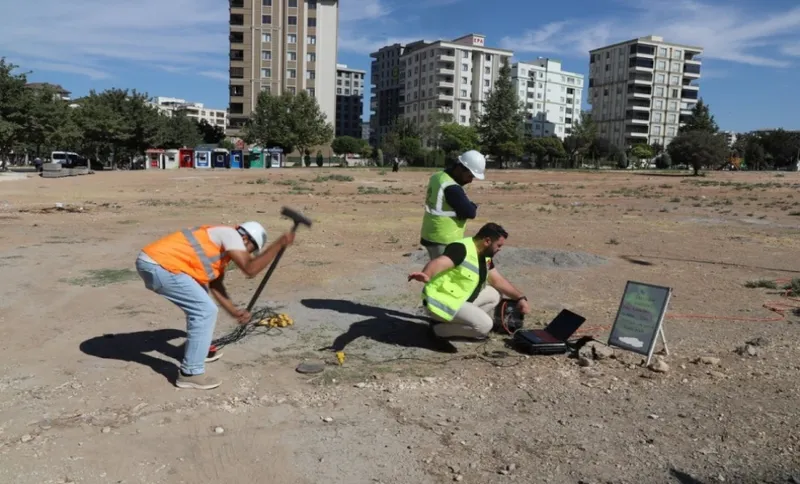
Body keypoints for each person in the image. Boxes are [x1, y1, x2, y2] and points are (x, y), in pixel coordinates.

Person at [135, 222, 295, 390]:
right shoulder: (231, 235)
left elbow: (215, 284)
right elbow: (250, 268)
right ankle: (191, 373)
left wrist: (235, 312)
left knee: (201, 304)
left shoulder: (219, 249)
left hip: (156, 263)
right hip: (160, 265)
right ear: (246, 238)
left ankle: (197, 352)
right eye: (249, 250)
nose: (246, 254)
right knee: (205, 311)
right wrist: (279, 244)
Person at [408, 223, 530, 340]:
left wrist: (520, 298)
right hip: (441, 302)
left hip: (459, 298)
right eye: (498, 245)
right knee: (485, 325)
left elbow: (497, 280)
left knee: (494, 294)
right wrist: (426, 274)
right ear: (487, 241)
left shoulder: (484, 255)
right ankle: (438, 330)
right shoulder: (461, 249)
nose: (500, 249)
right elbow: (439, 262)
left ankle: (460, 323)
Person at [419, 150, 486, 260]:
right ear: (460, 169)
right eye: (470, 176)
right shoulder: (452, 187)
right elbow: (469, 212)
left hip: (431, 233)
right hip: (444, 238)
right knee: (442, 274)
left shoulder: (438, 177)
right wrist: (472, 205)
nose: (470, 181)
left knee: (437, 270)